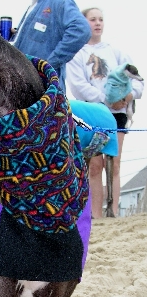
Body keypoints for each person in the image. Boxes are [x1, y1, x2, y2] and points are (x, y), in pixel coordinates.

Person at [66, 7, 144, 218]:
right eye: (93, 20)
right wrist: (106, 99)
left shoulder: (117, 53)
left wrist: (126, 98)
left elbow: (137, 84)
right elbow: (79, 86)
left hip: (117, 113)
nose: (98, 23)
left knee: (114, 161)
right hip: (91, 114)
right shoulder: (77, 54)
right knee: (93, 165)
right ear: (84, 23)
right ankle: (95, 214)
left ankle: (113, 212)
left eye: (101, 19)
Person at [10, 0, 91, 92]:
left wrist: (48, 64)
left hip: (45, 91)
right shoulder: (33, 6)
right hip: (24, 90)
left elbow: (81, 30)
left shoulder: (59, 2)